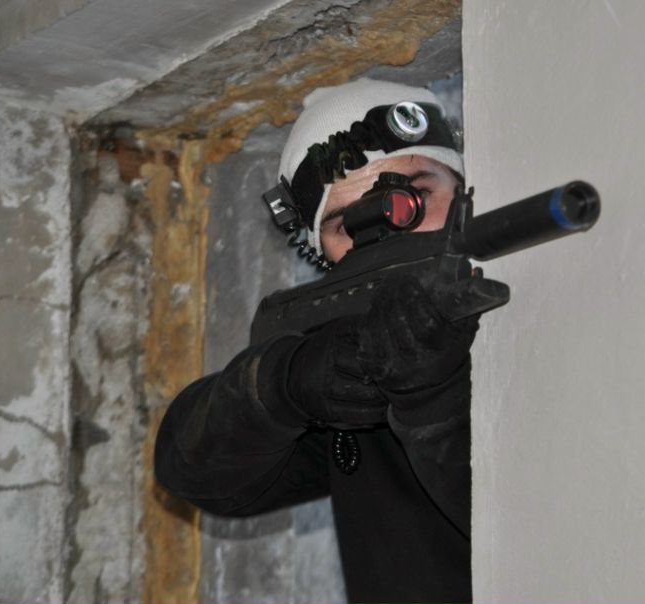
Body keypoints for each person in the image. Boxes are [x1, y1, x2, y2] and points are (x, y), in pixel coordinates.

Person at [154, 78, 476, 603]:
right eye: (346, 225)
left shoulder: (539, 323)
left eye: (416, 196)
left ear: (465, 190)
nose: (390, 228)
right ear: (322, 253)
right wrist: (286, 384)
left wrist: (434, 400)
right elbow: (190, 469)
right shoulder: (351, 368)